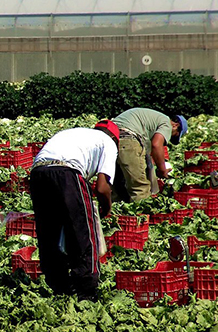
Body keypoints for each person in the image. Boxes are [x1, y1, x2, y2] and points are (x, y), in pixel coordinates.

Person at [29, 120, 120, 301]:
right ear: (115, 139)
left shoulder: (76, 134)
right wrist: (107, 208)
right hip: (67, 172)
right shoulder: (108, 143)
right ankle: (86, 292)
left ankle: (59, 287)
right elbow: (102, 188)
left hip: (38, 172)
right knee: (83, 232)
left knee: (49, 232)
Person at [112, 108, 188, 202]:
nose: (168, 137)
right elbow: (156, 145)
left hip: (111, 137)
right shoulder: (166, 124)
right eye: (174, 135)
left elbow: (149, 154)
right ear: (175, 125)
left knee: (117, 185)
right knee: (140, 188)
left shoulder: (152, 120)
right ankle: (141, 215)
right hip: (128, 138)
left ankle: (113, 213)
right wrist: (162, 170)